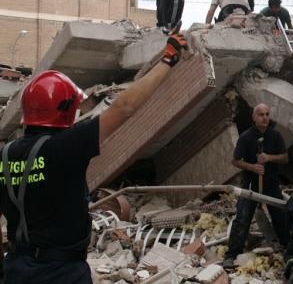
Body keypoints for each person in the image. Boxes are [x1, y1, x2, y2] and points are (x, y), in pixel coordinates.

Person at [0, 32, 188, 283]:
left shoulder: (5, 155)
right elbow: (124, 108)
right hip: (61, 272)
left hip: (16, 268)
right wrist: (168, 60)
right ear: (63, 109)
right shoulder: (65, 147)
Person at [223, 103, 289, 268]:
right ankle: (231, 255)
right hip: (251, 185)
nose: (265, 117)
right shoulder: (245, 137)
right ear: (254, 117)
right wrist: (252, 167)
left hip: (271, 183)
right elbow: (235, 160)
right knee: (243, 218)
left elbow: (285, 158)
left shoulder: (275, 136)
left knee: (280, 217)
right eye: (261, 114)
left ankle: (289, 250)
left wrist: (269, 158)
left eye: (267, 114)